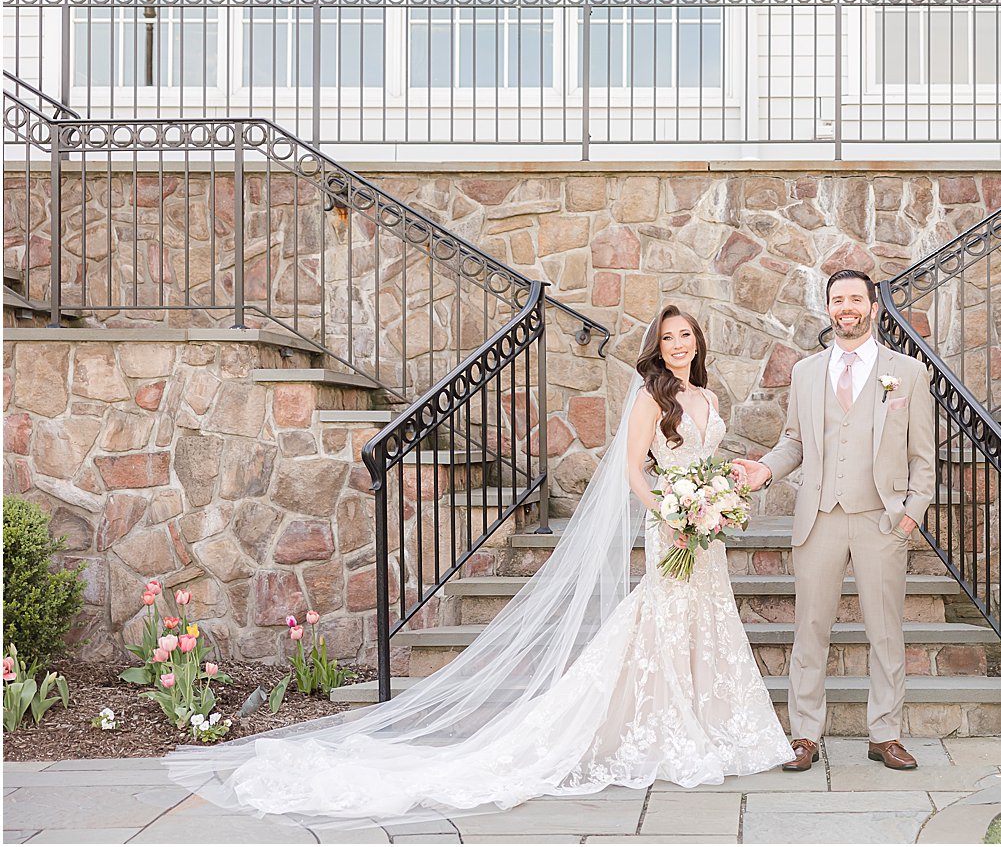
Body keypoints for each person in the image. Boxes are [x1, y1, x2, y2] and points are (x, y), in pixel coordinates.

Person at [166, 306, 793, 824]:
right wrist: (674, 514)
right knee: (662, 620)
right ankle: (658, 729)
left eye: (686, 336)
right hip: (672, 527)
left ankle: (707, 725)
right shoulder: (651, 397)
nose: (679, 345)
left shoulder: (709, 397)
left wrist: (719, 494)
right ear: (656, 348)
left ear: (698, 343)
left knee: (705, 621)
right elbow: (634, 471)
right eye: (668, 338)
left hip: (704, 531)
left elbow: (704, 464)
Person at [734, 269, 934, 773]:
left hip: (880, 520)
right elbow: (794, 443)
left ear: (873, 307)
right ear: (829, 309)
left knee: (886, 631)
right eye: (837, 300)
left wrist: (911, 514)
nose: (846, 307)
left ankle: (884, 734)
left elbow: (923, 456)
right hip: (819, 518)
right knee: (811, 629)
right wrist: (765, 468)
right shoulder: (805, 373)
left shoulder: (907, 373)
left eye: (855, 299)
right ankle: (804, 735)